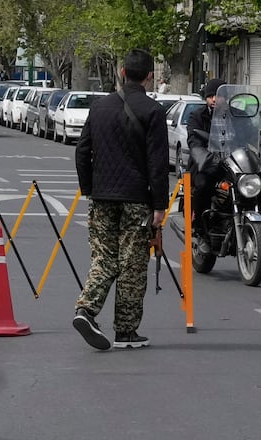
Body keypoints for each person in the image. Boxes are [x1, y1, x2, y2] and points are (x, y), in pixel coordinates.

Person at [72, 49, 169, 350]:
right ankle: (126, 332)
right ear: (150, 76)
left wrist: (90, 188)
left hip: (101, 198)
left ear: (122, 72)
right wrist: (159, 206)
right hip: (136, 200)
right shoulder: (153, 111)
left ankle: (86, 310)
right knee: (132, 264)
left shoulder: (99, 108)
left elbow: (81, 152)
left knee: (103, 257)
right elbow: (157, 164)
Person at [186, 78, 226, 252]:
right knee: (202, 185)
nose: (214, 99)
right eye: (210, 96)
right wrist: (207, 159)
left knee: (258, 183)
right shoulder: (197, 116)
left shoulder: (237, 114)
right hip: (205, 165)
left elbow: (250, 134)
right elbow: (194, 141)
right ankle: (200, 229)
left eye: (218, 95)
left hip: (231, 165)